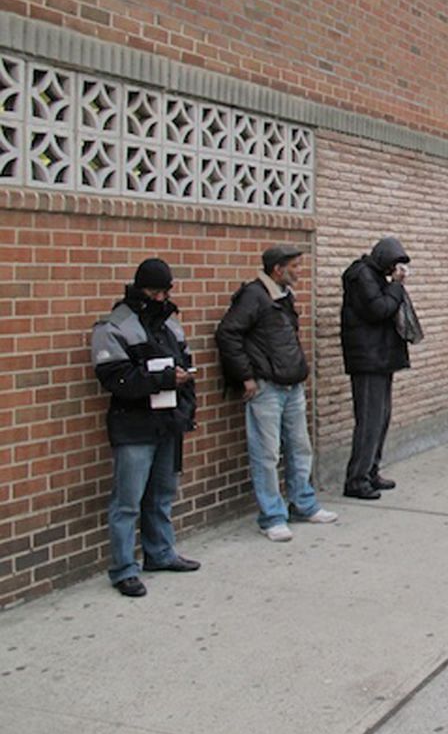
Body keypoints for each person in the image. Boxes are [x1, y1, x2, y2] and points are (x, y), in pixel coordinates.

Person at [91, 258, 199, 597]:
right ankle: (124, 569)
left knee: (162, 495)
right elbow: (116, 379)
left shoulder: (170, 323)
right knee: (127, 501)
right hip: (133, 425)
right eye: (156, 291)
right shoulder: (114, 324)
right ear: (141, 290)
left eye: (166, 291)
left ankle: (161, 553)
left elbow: (187, 364)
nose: (162, 298)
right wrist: (166, 379)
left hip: (167, 422)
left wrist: (187, 406)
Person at [216, 246, 338, 541]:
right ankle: (272, 516)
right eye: (294, 266)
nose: (299, 271)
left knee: (300, 448)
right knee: (267, 454)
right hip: (266, 389)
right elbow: (227, 333)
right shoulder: (254, 296)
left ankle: (304, 504)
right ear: (278, 269)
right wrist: (246, 377)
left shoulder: (283, 297)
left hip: (292, 386)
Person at [339, 237, 412, 500]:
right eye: (395, 263)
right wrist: (396, 287)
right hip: (368, 359)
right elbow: (379, 309)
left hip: (381, 357)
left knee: (381, 418)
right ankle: (357, 479)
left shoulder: (377, 276)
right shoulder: (362, 276)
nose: (397, 269)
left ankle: (371, 471)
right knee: (369, 421)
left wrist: (393, 286)